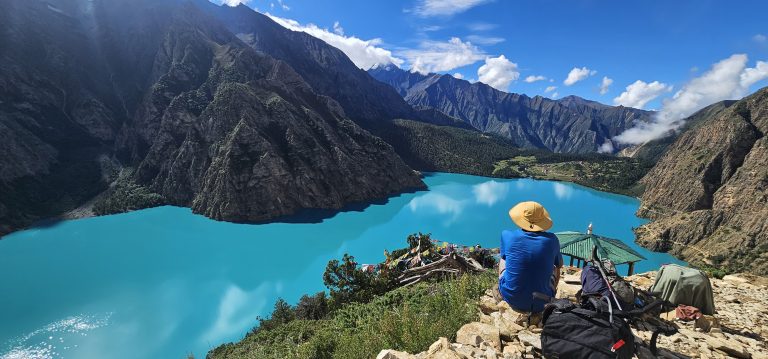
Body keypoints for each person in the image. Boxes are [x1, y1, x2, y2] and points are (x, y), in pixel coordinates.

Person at [498, 201, 563, 322]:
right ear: (542, 220)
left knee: (503, 258)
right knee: (556, 267)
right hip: (541, 302)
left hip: (512, 298)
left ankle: (505, 287)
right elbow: (559, 265)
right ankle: (551, 294)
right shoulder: (552, 240)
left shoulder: (507, 235)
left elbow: (506, 257)